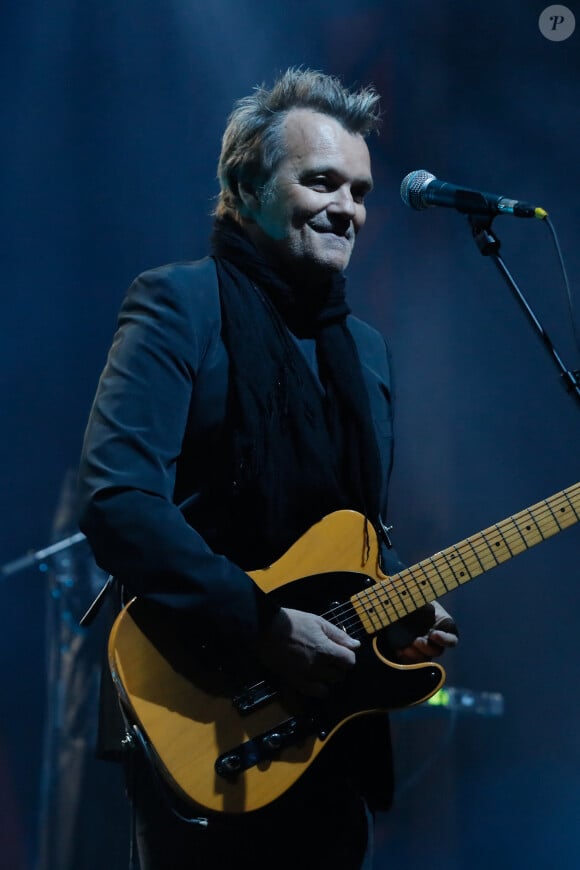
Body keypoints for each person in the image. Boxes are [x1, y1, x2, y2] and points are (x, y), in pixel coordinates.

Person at [77, 67, 459, 870]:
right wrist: (264, 624)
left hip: (327, 733)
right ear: (244, 184)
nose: (347, 209)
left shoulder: (366, 353)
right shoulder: (179, 305)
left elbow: (347, 534)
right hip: (201, 703)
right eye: (320, 181)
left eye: (359, 191)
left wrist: (394, 615)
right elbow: (118, 501)